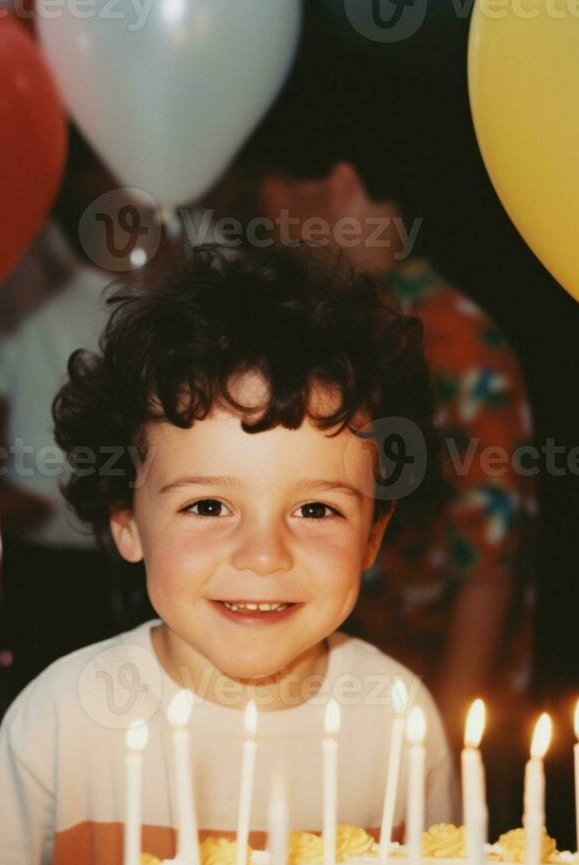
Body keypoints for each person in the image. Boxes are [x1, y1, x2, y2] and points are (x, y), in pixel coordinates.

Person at [0, 245, 458, 865]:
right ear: (126, 522)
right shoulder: (66, 717)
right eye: (208, 505)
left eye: (316, 508)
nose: (264, 555)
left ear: (373, 535)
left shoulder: (397, 720)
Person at [228, 28, 537, 766]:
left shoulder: (455, 344)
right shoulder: (329, 319)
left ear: (331, 184)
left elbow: (485, 576)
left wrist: (442, 773)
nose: (262, 221)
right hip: (322, 720)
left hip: (415, 733)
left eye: (263, 193)